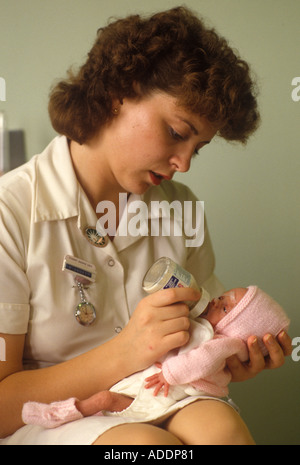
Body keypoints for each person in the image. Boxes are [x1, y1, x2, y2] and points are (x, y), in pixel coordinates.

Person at [0, 7, 292, 445]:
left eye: (200, 148)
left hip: (164, 396)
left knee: (223, 435)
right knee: (145, 450)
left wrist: (226, 357)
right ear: (119, 93)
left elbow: (202, 330)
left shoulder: (181, 210)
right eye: (177, 132)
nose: (185, 164)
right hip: (58, 419)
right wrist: (126, 352)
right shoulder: (12, 212)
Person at [21, 286, 290, 428]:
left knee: (106, 400)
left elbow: (201, 360)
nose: (215, 302)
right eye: (220, 298)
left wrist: (170, 374)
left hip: (167, 388)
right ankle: (60, 411)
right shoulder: (207, 328)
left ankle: (61, 412)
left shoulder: (220, 342)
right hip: (149, 386)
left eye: (225, 307)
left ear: (238, 328)